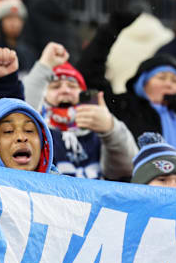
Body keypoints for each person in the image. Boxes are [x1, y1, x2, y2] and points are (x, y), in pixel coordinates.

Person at [77, 14, 176, 184]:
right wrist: (111, 29)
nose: (169, 84)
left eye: (175, 81)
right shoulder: (125, 108)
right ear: (143, 83)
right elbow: (90, 75)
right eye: (161, 78)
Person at [23, 42, 138, 180]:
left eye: (72, 86)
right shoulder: (36, 130)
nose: (65, 90)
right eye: (55, 86)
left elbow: (128, 170)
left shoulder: (100, 128)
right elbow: (21, 111)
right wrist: (43, 67)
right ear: (43, 95)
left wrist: (111, 130)